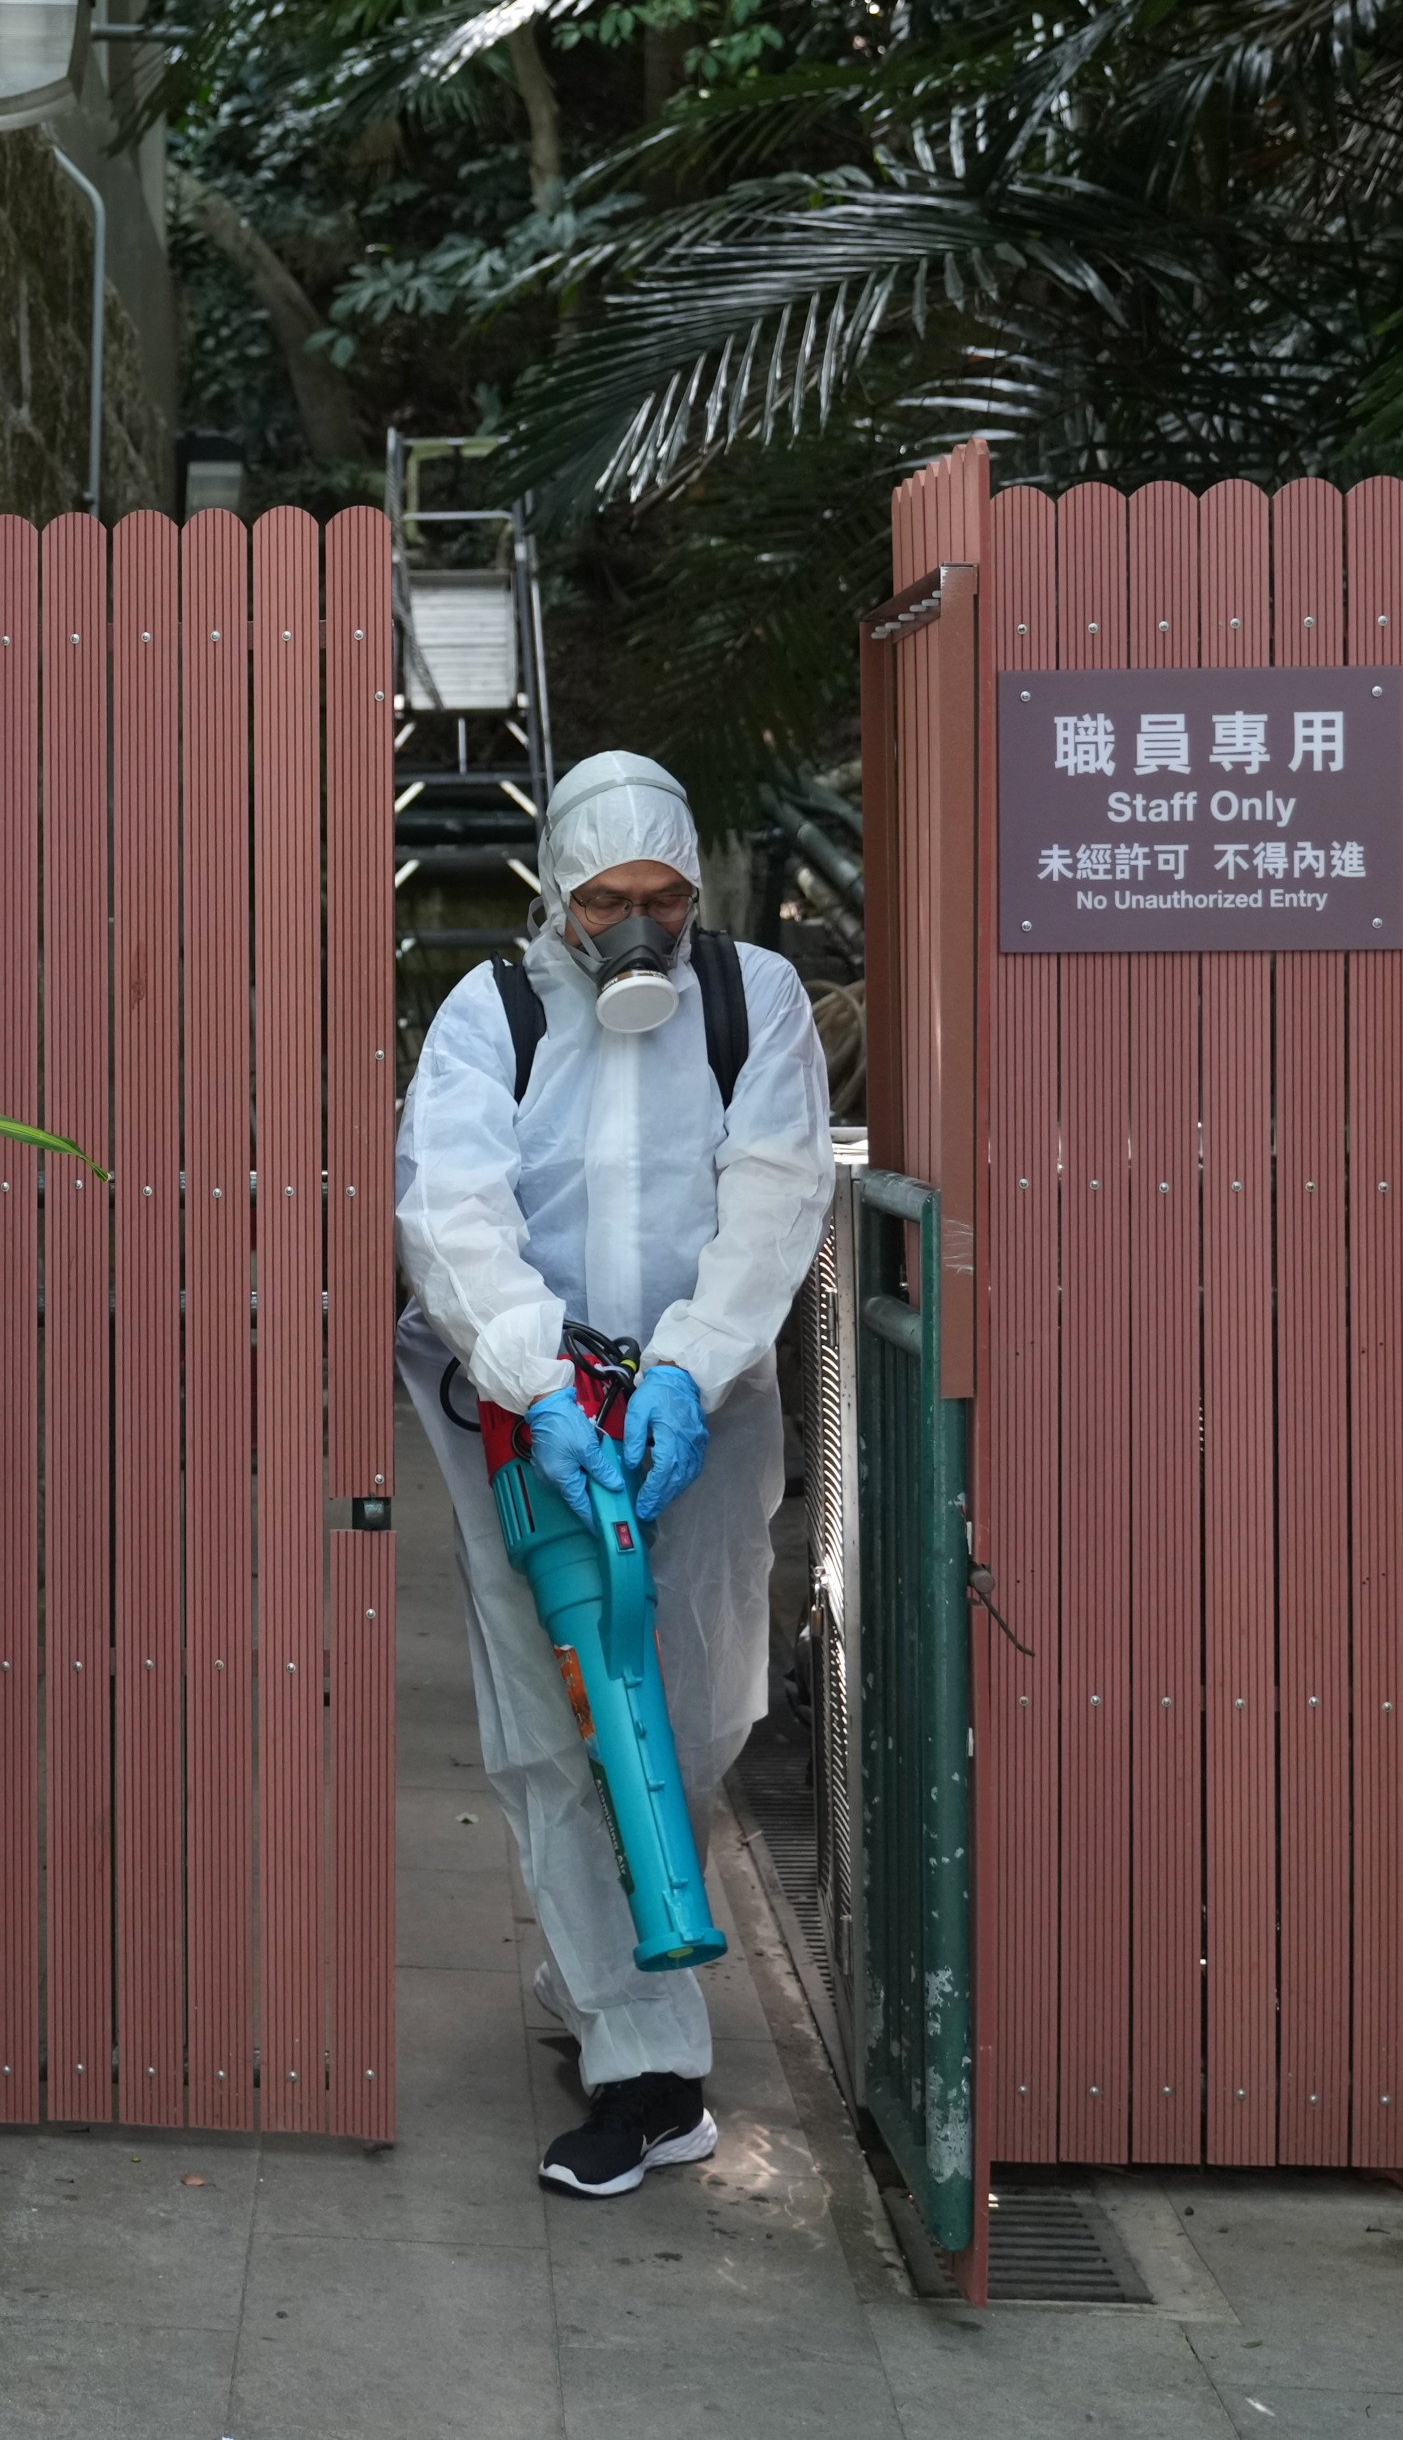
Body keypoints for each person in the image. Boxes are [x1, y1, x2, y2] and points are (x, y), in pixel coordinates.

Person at [394, 750, 835, 2195]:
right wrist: (535, 1375)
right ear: (559, 900)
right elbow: (450, 1207)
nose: (636, 927)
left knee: (696, 1715)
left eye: (664, 897)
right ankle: (648, 2074)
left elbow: (774, 1197)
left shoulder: (750, 998)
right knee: (556, 1717)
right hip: (529, 1422)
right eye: (607, 900)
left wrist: (689, 1374)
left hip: (696, 1415)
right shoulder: (494, 1010)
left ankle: (614, 1951)